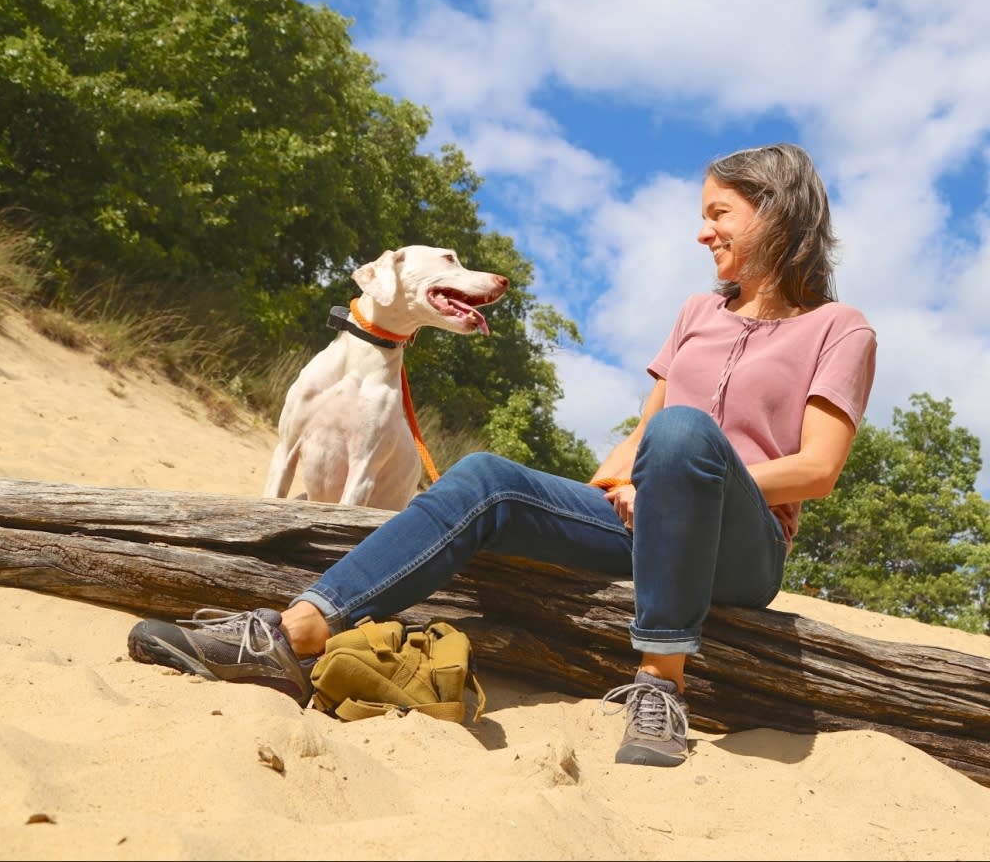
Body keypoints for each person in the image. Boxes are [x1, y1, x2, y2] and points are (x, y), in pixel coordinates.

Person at [128, 143, 877, 768]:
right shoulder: (696, 313)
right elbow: (639, 433)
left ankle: (659, 690)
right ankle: (292, 635)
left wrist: (681, 482)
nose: (701, 233)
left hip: (742, 552)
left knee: (684, 439)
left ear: (776, 212)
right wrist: (606, 490)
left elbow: (818, 468)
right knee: (488, 477)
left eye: (718, 214)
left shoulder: (840, 328)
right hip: (649, 521)